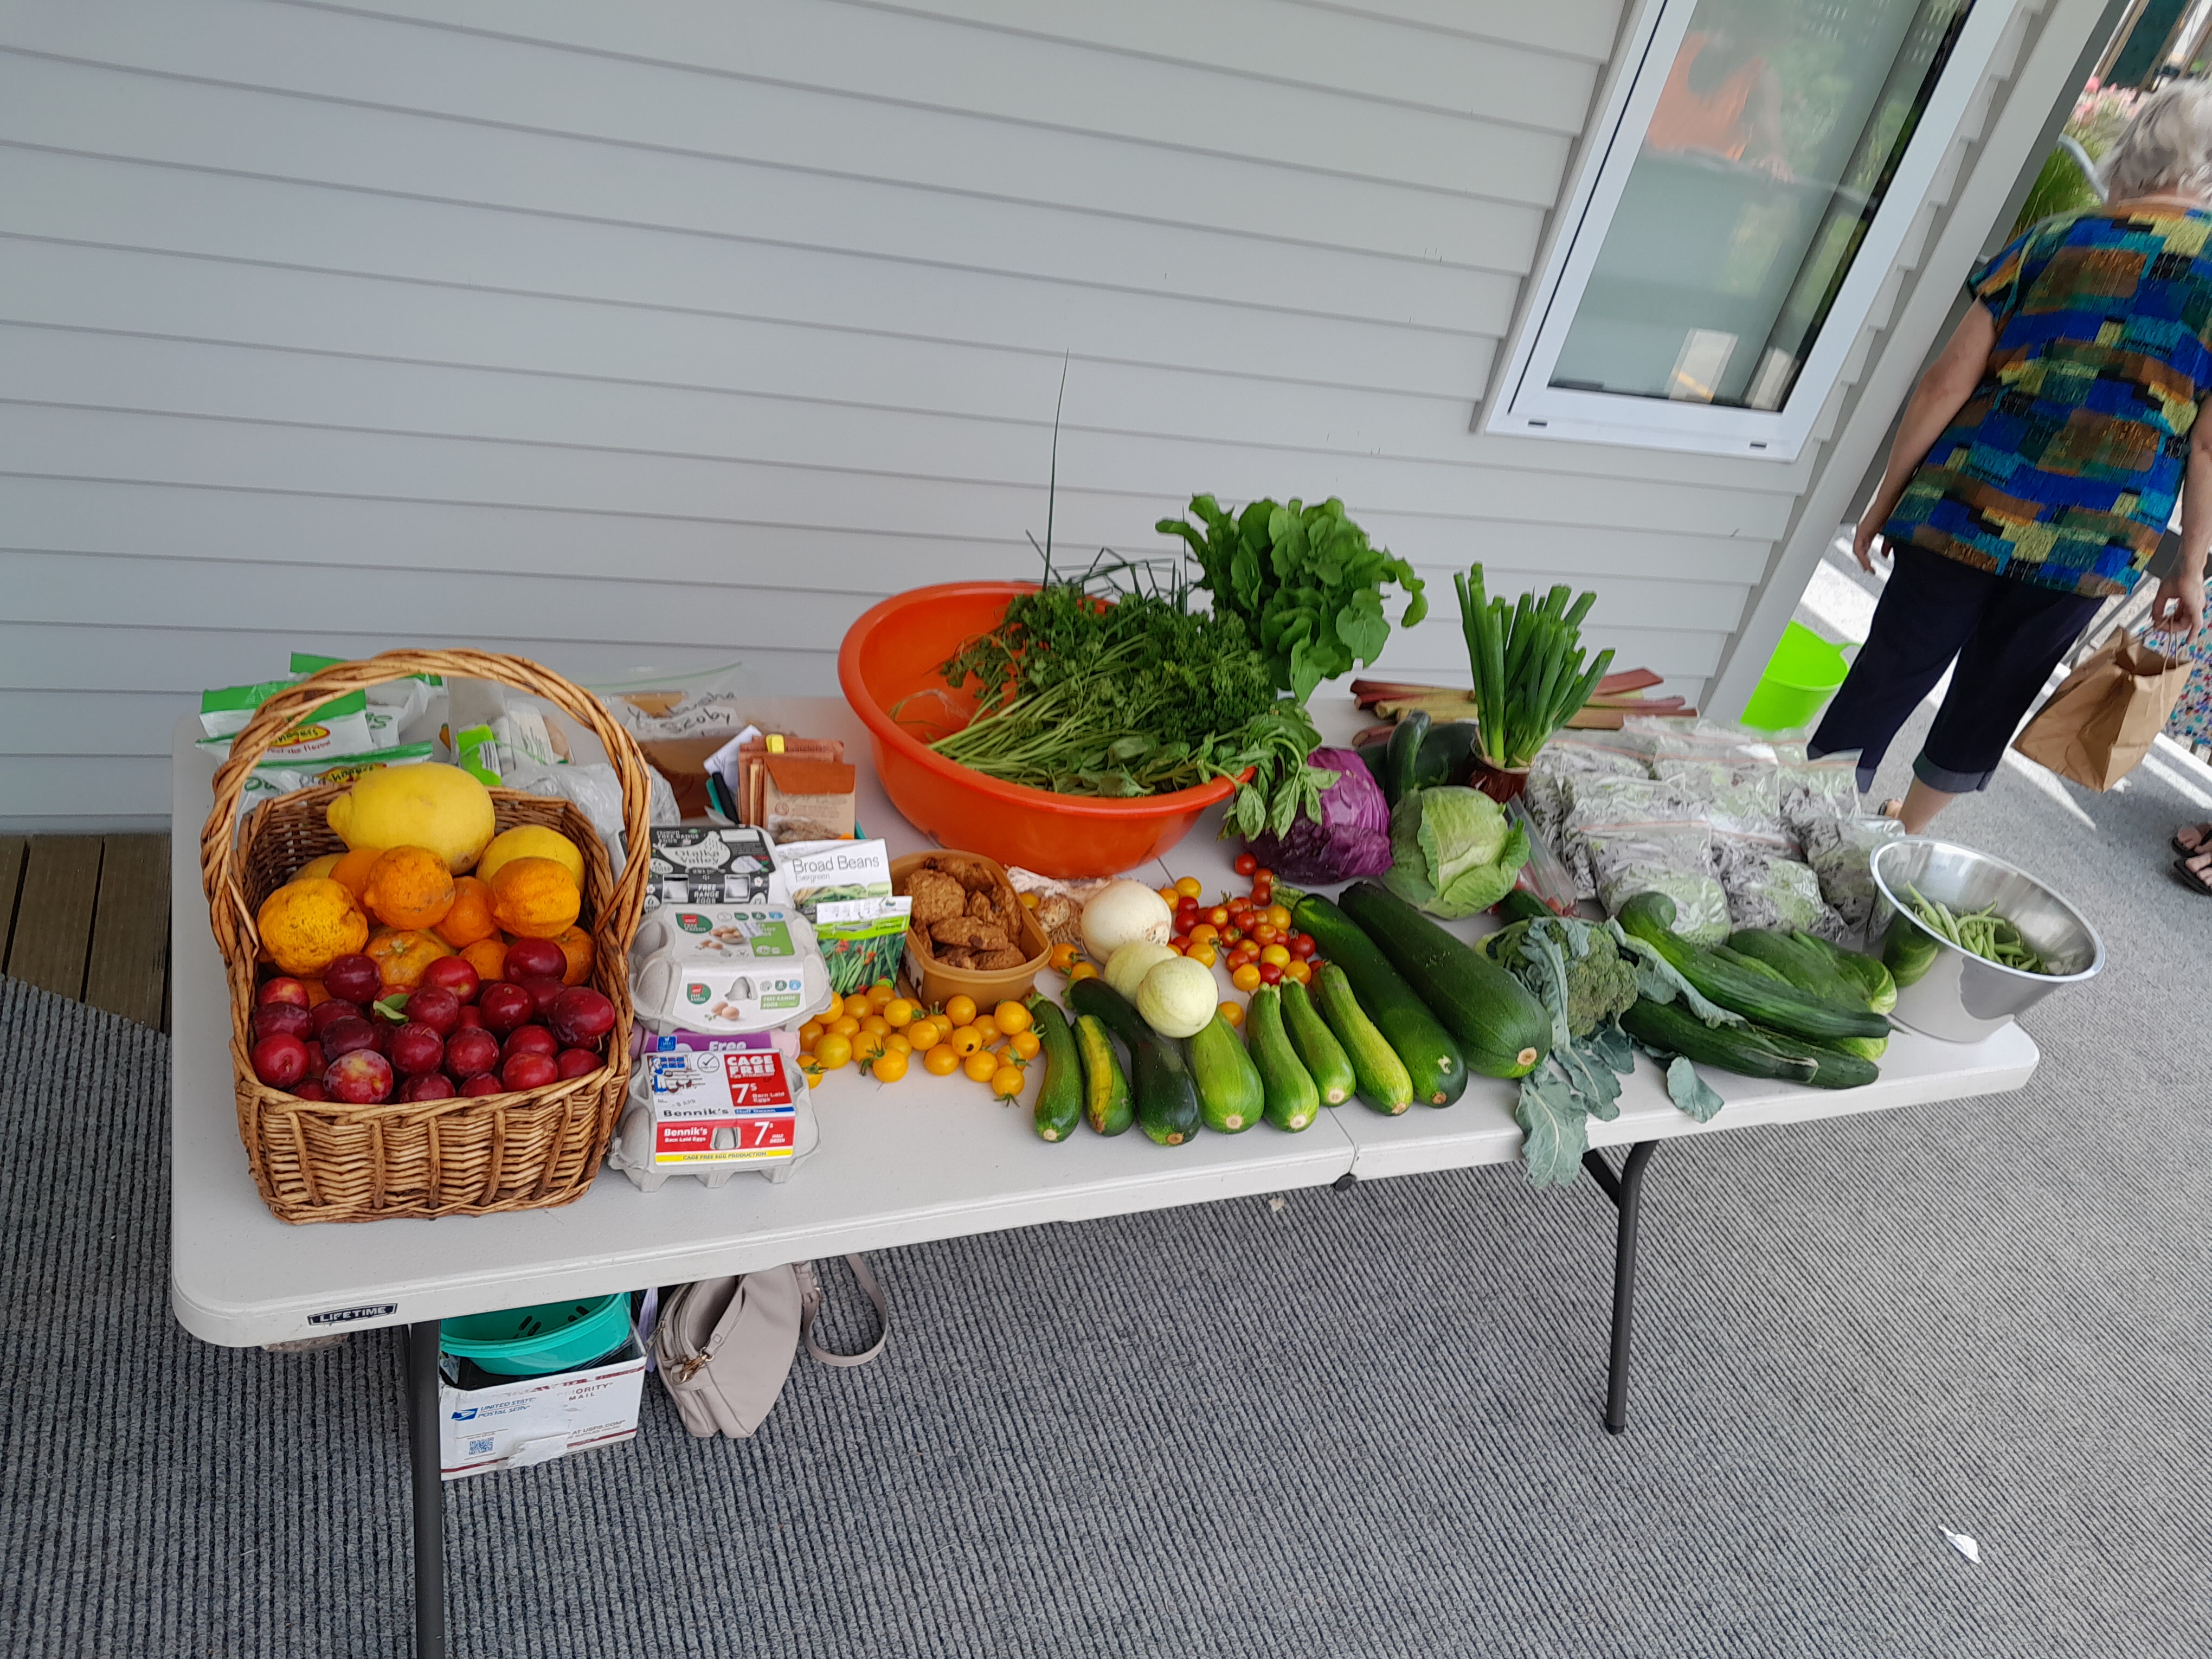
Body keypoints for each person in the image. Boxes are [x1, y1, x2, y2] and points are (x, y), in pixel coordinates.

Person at [1809, 80, 2212, 837]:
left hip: (1967, 503)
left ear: (2134, 151)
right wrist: (2190, 570)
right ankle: (1906, 838)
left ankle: (1809, 822)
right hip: (2095, 539)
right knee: (1993, 694)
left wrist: (1884, 500)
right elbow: (2208, 445)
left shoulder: (2053, 239)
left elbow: (1944, 383)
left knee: (1891, 668)